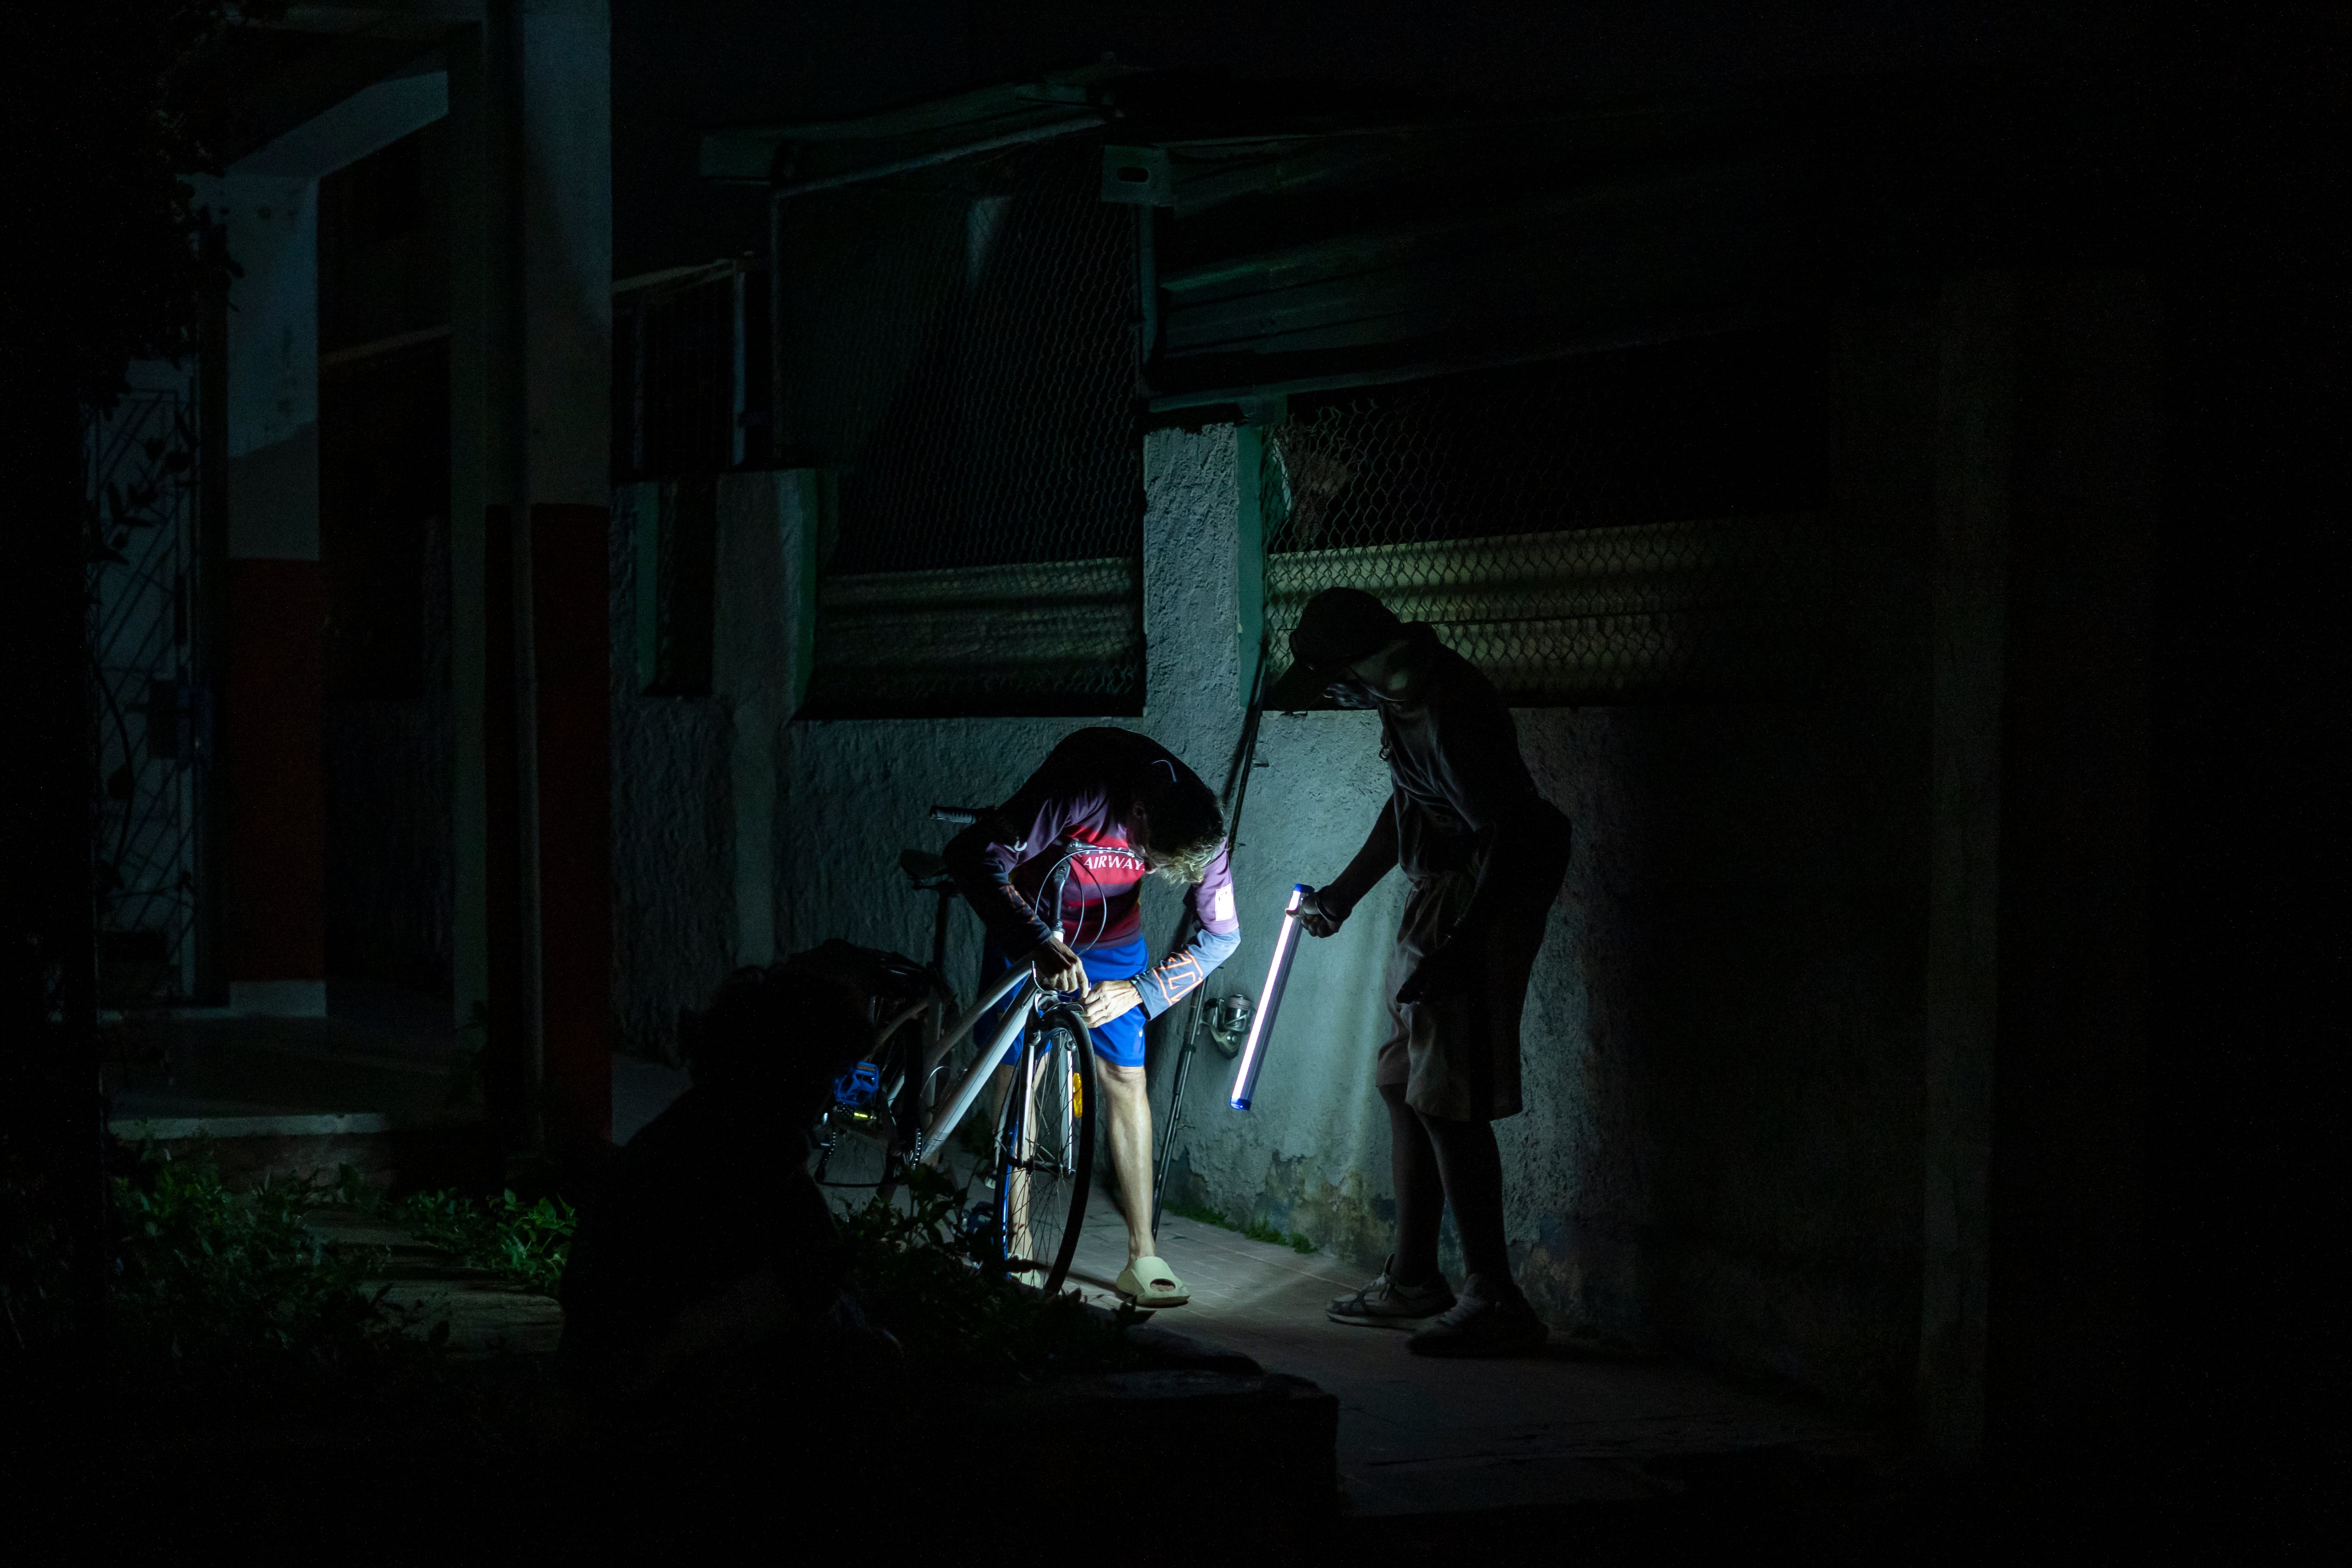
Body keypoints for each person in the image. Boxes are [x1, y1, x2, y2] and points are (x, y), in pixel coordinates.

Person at [1284, 587, 1572, 1356]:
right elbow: (1408, 799)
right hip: (1441, 896)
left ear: (1353, 665)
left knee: (1448, 1095)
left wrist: (1462, 949)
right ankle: (1414, 1277)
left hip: (1481, 896)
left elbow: (1510, 834)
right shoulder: (1399, 696)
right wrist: (1345, 892)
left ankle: (1495, 1297)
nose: (1334, 699)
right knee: (1402, 1078)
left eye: (1331, 683)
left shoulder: (1447, 707)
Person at [943, 727, 1240, 1308]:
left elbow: (1222, 938)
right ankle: (1017, 1239)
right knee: (1016, 1073)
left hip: (1112, 939)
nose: (1148, 870)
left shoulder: (1201, 829)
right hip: (1032, 924)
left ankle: (1144, 1253)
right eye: (1148, 857)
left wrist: (1142, 991)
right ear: (1137, 812)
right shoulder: (1082, 786)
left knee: (1127, 1077)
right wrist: (1032, 941)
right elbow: (972, 854)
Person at [558, 948, 894, 1398]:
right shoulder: (744, 1150)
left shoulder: (694, 1129)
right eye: (827, 1076)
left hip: (608, 1373)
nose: (827, 1099)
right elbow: (817, 1272)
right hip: (649, 1391)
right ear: (791, 1071)